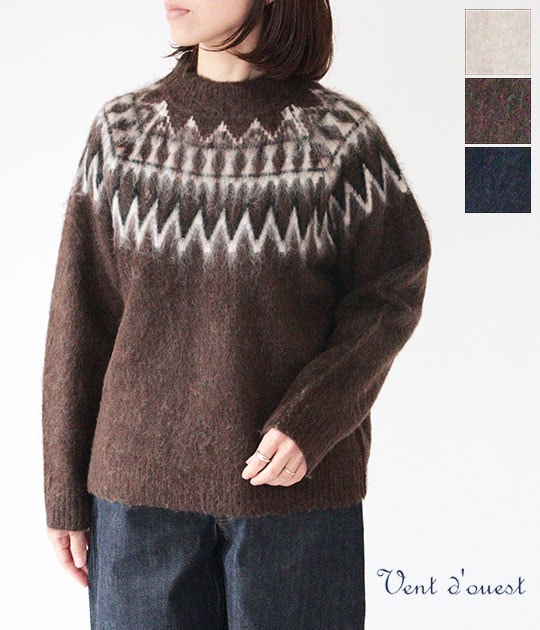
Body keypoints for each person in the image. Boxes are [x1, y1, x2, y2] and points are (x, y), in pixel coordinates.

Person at [42, 1, 432, 628]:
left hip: (296, 498)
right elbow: (79, 320)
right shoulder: (122, 135)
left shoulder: (338, 139)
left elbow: (391, 290)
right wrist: (63, 489)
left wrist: (314, 416)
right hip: (137, 505)